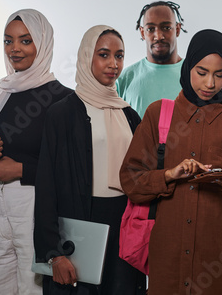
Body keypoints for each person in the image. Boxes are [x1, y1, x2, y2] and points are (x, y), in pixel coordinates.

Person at [120, 29, 222, 295]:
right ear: (187, 68)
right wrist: (168, 175)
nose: (210, 83)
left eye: (219, 75)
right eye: (201, 72)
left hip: (219, 267)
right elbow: (130, 180)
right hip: (167, 265)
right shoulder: (157, 114)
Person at [0, 9, 72, 294]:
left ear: (43, 42)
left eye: (25, 41)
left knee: (33, 289)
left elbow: (71, 171)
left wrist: (22, 170)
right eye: (8, 40)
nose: (14, 49)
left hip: (36, 207)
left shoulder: (64, 99)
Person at [33, 25, 146, 294]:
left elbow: (143, 177)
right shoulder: (61, 114)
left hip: (123, 225)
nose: (113, 64)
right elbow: (47, 186)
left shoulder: (131, 116)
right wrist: (53, 253)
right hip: (79, 226)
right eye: (104, 55)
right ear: (86, 57)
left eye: (119, 56)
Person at [116, 0, 186, 118]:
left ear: (177, 29)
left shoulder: (196, 76)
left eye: (166, 27)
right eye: (150, 29)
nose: (158, 36)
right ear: (142, 33)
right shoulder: (124, 79)